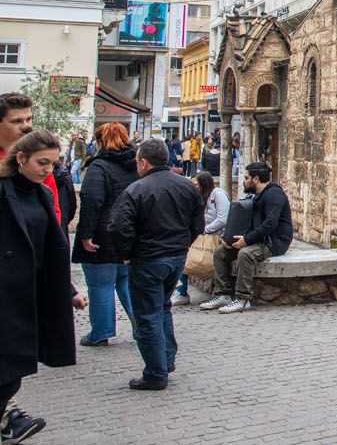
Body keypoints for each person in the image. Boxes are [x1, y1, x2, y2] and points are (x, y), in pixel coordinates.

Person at [0, 130, 88, 443]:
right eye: (41, 162)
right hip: (5, 293)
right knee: (7, 368)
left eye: (52, 163)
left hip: (32, 292)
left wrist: (69, 290)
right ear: (20, 158)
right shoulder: (3, 190)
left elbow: (51, 250)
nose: (47, 169)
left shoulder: (44, 194)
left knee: (17, 369)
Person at [106, 139, 204, 391]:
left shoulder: (136, 190)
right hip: (175, 255)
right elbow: (197, 222)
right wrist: (184, 243)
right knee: (162, 307)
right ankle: (166, 359)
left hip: (148, 258)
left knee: (148, 315)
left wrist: (125, 253)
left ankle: (155, 371)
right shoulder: (186, 186)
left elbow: (118, 226)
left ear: (143, 162)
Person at [71, 122, 138, 347]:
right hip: (129, 234)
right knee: (126, 282)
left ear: (100, 141)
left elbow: (92, 201)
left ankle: (101, 332)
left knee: (101, 285)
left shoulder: (99, 167)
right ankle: (142, 327)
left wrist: (86, 235)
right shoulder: (137, 164)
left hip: (102, 233)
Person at [200, 161, 293, 315]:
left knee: (246, 254)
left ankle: (243, 298)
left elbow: (270, 224)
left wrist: (246, 240)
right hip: (259, 239)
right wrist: (230, 239)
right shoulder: (256, 195)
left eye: (246, 177)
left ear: (255, 179)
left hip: (275, 242)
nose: (244, 181)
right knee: (220, 252)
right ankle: (223, 294)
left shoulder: (274, 194)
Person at [0, 94, 60, 226]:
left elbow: (53, 209)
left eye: (28, 119)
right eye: (17, 121)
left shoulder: (38, 155)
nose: (26, 126)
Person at [173, 171, 231, 307]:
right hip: (202, 235)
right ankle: (181, 291)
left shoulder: (218, 194)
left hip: (216, 236)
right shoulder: (198, 197)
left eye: (195, 185)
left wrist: (205, 230)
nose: (193, 187)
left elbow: (223, 219)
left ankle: (221, 293)